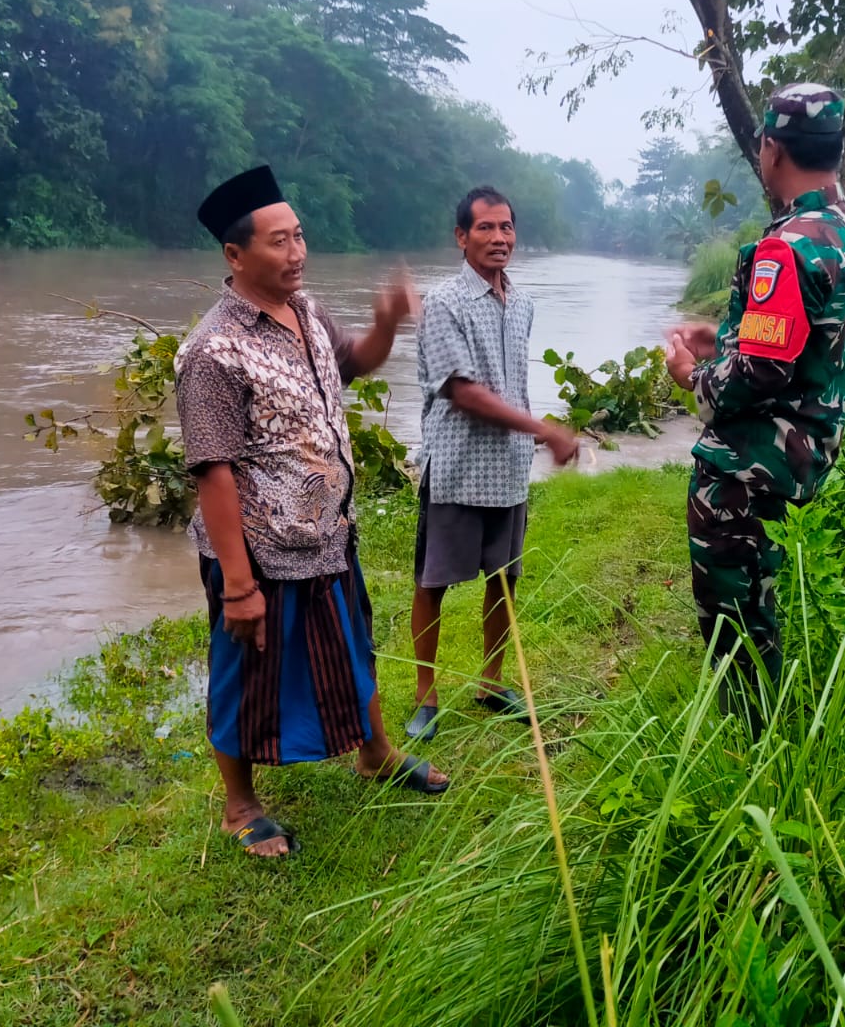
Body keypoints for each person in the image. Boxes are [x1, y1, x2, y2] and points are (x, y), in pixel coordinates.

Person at [175, 164, 448, 860]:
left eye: (299, 237)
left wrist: (387, 324)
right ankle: (240, 805)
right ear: (235, 256)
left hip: (329, 532)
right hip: (259, 549)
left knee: (352, 644)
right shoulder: (214, 349)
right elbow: (211, 468)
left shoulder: (306, 311)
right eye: (278, 242)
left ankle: (376, 753)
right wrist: (238, 585)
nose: (296, 253)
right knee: (245, 669)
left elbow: (355, 360)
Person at [665, 83, 845, 717]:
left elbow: (757, 375)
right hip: (805, 454)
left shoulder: (786, 247)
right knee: (759, 598)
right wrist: (726, 336)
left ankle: (751, 746)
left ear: (771, 149)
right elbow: (806, 343)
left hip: (747, 470)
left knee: (736, 621)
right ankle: (764, 728)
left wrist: (689, 374)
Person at [403, 186, 578, 742]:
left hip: (507, 468)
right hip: (457, 466)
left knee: (505, 579)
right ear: (461, 237)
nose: (499, 238)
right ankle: (425, 695)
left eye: (506, 227)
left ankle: (491, 682)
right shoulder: (443, 304)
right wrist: (543, 428)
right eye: (485, 228)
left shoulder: (522, 303)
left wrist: (529, 434)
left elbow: (511, 384)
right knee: (433, 581)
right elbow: (463, 391)